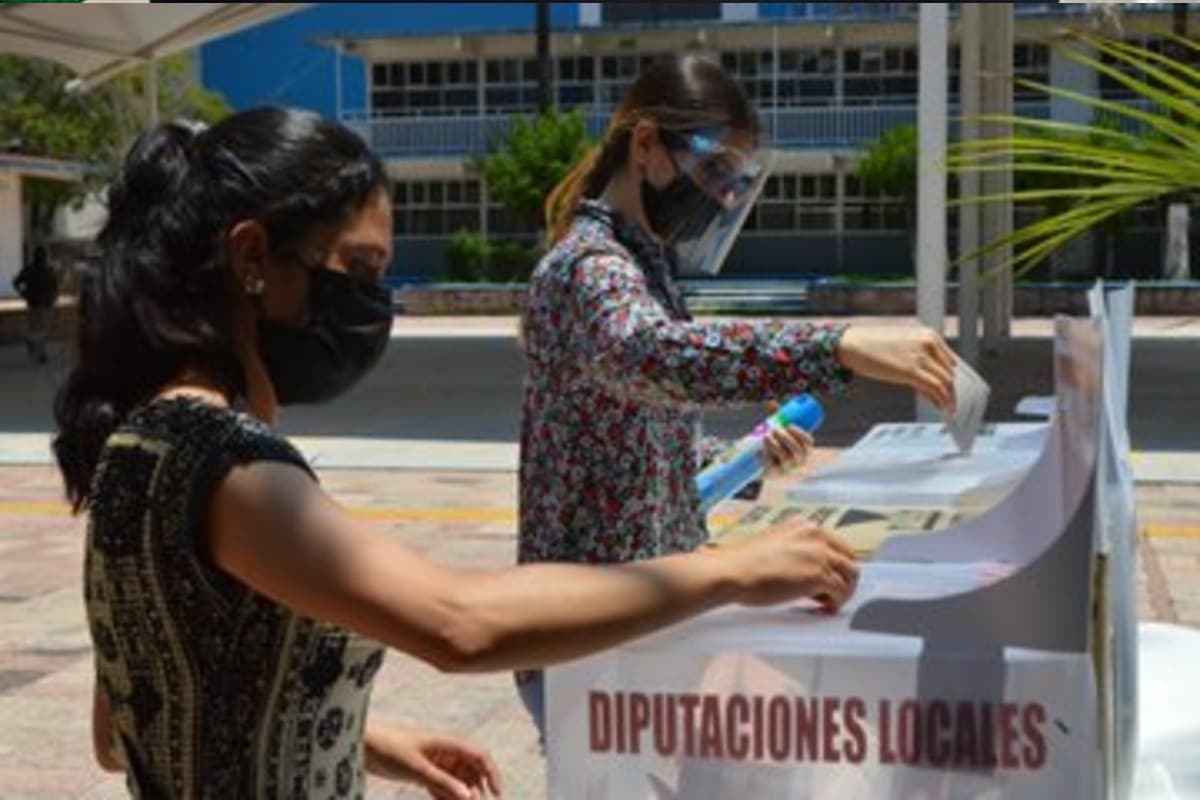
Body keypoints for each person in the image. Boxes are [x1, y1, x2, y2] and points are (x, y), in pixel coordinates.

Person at [54, 107, 860, 799]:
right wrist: (731, 571)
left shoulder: (137, 442)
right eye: (358, 271)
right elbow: (460, 624)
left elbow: (120, 728)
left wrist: (364, 739)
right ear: (253, 259)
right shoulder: (230, 469)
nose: (373, 305)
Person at [516, 53, 959, 739]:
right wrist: (836, 346)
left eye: (735, 178)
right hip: (588, 634)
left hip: (645, 619)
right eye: (713, 167)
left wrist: (746, 457)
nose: (723, 194)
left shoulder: (642, 264)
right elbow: (649, 357)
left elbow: (636, 435)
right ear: (645, 145)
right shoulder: (589, 266)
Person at [13, 244, 59, 364]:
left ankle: (36, 347)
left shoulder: (31, 269)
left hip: (35, 302)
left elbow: (16, 282)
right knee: (42, 328)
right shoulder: (47, 270)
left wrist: (23, 293)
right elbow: (55, 286)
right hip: (42, 303)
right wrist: (53, 297)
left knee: (36, 328)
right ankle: (39, 351)